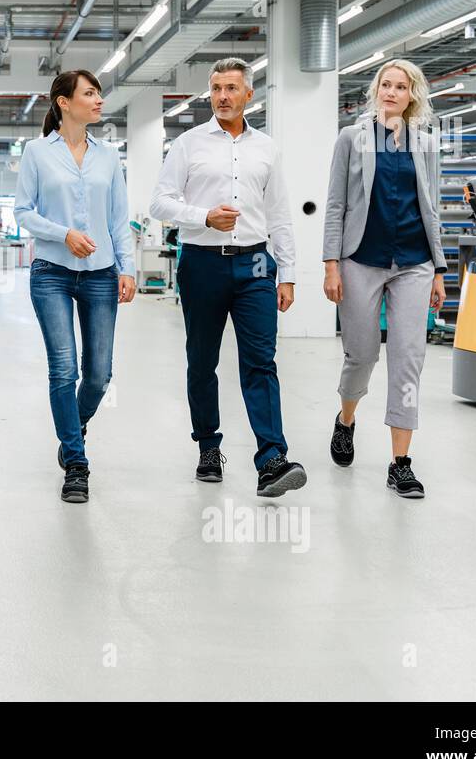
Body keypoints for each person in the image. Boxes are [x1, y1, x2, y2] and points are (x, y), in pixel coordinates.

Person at [149, 57, 305, 498]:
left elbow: (279, 214)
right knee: (202, 361)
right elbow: (159, 203)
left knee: (261, 361)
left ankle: (272, 458)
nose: (222, 96)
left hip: (256, 263)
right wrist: (203, 217)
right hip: (201, 262)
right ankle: (208, 446)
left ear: (248, 94)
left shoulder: (267, 148)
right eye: (216, 88)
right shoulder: (188, 144)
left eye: (231, 88)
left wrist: (288, 273)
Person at [322, 58, 447, 499]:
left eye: (401, 86)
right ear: (375, 90)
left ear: (413, 95)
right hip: (361, 259)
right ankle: (346, 419)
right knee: (362, 354)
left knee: (409, 357)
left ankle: (401, 463)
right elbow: (336, 204)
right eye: (385, 85)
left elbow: (431, 208)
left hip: (414, 262)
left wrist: (439, 269)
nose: (391, 92)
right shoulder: (351, 140)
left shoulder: (427, 145)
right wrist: (331, 264)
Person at [14, 69, 137, 504]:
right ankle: (77, 462)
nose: (99, 100)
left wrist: (128, 268)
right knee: (64, 369)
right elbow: (23, 213)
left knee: (99, 375)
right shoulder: (37, 153)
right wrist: (62, 233)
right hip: (51, 271)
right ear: (64, 103)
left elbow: (119, 219)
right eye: (90, 93)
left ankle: (72, 428)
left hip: (102, 275)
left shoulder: (109, 156)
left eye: (99, 93)